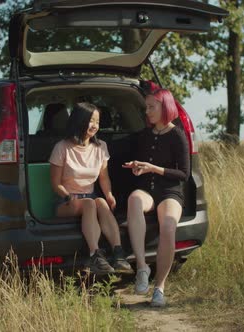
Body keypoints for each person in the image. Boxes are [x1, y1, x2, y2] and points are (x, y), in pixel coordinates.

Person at [122, 89, 190, 307]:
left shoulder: (177, 134)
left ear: (165, 107)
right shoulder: (145, 134)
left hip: (170, 191)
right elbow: (143, 165)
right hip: (148, 190)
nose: (147, 111)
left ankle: (159, 287)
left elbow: (184, 174)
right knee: (134, 199)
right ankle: (142, 268)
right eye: (146, 107)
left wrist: (154, 168)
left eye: (152, 106)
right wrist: (138, 168)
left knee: (168, 226)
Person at [49, 102, 132, 275]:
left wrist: (109, 195)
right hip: (66, 201)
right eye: (91, 121)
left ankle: (118, 253)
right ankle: (95, 255)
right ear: (79, 121)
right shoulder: (62, 147)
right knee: (89, 203)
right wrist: (67, 197)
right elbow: (55, 184)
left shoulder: (100, 146)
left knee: (100, 201)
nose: (94, 125)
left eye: (97, 121)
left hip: (90, 199)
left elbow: (104, 177)